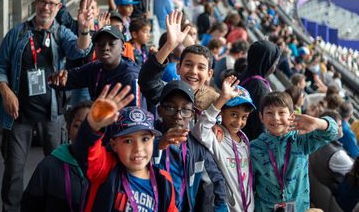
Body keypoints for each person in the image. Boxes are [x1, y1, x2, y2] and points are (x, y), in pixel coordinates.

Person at [0, 0, 93, 212]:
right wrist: (6, 91)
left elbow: (79, 51)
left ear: (59, 7)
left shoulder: (61, 33)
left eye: (51, 4)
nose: (46, 7)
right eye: (42, 2)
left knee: (61, 166)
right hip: (18, 115)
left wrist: (84, 30)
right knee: (14, 171)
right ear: (36, 3)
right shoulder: (17, 33)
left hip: (53, 114)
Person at [74, 83, 177, 211]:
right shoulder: (105, 169)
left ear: (153, 141)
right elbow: (86, 152)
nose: (138, 148)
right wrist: (92, 125)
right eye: (128, 141)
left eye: (145, 139)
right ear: (113, 145)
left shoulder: (163, 180)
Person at [251, 91, 338, 212]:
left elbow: (332, 132)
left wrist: (317, 123)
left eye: (281, 112)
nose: (276, 117)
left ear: (292, 115)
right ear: (261, 117)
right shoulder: (254, 148)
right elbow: (250, 184)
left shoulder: (301, 140)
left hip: (299, 208)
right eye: (269, 113)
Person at [153, 80, 228, 211]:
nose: (178, 115)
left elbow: (215, 183)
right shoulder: (148, 139)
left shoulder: (197, 146)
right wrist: (158, 145)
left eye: (185, 110)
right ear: (160, 111)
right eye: (170, 108)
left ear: (192, 114)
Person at [193, 76, 255, 212]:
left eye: (244, 117)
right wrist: (222, 99)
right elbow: (200, 129)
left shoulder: (245, 141)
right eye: (234, 114)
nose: (239, 122)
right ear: (222, 112)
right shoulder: (216, 137)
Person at [139, 11, 219, 112]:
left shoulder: (214, 104)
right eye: (188, 64)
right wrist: (169, 45)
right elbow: (147, 81)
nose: (193, 71)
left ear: (209, 74)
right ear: (178, 68)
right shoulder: (167, 92)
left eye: (201, 67)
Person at [21, 101, 92, 212]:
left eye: (92, 127)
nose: (84, 132)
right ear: (68, 130)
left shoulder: (111, 169)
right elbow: (29, 206)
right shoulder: (48, 167)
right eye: (77, 126)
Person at [49, 25, 143, 107]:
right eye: (100, 44)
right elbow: (61, 82)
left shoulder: (131, 76)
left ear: (123, 49)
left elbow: (135, 120)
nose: (105, 48)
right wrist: (57, 77)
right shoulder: (95, 67)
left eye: (112, 44)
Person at [240, 40, 280, 141]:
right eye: (274, 63)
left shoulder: (245, 74)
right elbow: (261, 125)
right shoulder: (260, 88)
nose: (274, 68)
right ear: (265, 62)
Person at [309, 110, 354, 192]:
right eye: (339, 126)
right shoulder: (337, 155)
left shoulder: (315, 139)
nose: (341, 128)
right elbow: (358, 172)